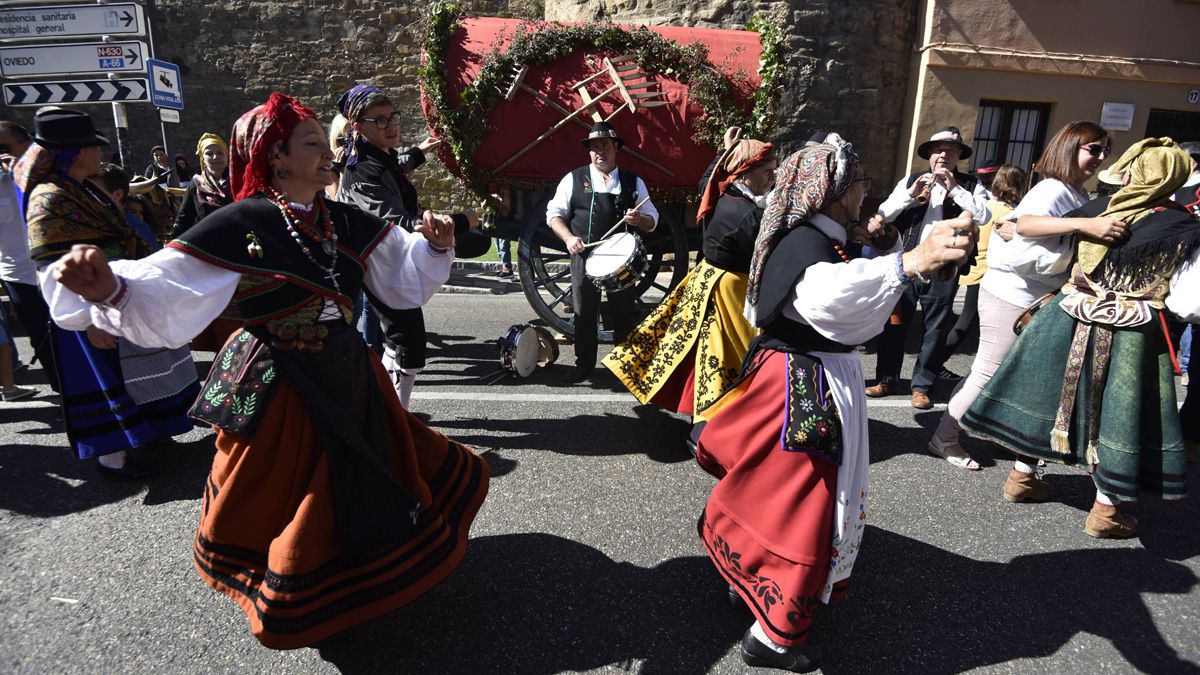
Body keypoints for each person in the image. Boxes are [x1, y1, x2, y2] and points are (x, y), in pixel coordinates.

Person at [44, 93, 490, 648]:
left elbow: (403, 273)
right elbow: (170, 282)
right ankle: (301, 589)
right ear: (276, 157)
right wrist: (110, 288)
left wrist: (437, 246)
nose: (327, 152)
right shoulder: (244, 222)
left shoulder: (343, 219)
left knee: (368, 470)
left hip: (349, 370)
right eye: (310, 144)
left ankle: (362, 576)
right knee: (290, 489)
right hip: (280, 382)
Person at [693, 137, 975, 672]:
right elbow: (829, 297)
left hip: (795, 376)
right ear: (836, 192)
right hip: (808, 385)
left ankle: (750, 583)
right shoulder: (809, 244)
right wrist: (910, 261)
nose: (866, 191)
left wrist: (895, 247)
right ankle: (773, 637)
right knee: (807, 506)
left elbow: (839, 284)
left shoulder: (808, 233)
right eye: (861, 184)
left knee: (773, 493)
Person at [962, 137, 1200, 539]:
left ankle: (1021, 477)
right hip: (1131, 330)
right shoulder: (1183, 226)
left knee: (1050, 395)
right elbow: (1188, 304)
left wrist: (1081, 228)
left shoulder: (1101, 207)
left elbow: (1020, 225)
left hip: (1066, 314)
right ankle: (1106, 510)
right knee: (1118, 413)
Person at [21, 109, 198, 477]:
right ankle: (114, 459)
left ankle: (151, 435)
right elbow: (53, 271)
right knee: (104, 383)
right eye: (92, 147)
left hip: (115, 296)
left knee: (135, 373)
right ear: (75, 152)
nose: (99, 154)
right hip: (87, 310)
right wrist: (89, 321)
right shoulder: (50, 199)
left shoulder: (81, 188)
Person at [946, 121, 1125, 482]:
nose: (1102, 157)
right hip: (1012, 296)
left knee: (1004, 373)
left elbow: (1025, 230)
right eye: (1094, 149)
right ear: (1070, 148)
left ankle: (999, 434)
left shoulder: (1076, 194)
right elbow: (1024, 235)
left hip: (1032, 298)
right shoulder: (1052, 190)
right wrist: (1082, 230)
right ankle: (944, 438)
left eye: (1106, 149)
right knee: (988, 372)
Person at [603, 128, 774, 419]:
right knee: (726, 356)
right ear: (746, 172)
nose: (773, 177)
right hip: (731, 291)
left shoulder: (721, 191)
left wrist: (725, 150)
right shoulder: (748, 216)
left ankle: (708, 412)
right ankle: (717, 418)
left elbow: (706, 181)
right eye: (768, 171)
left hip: (707, 280)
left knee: (698, 349)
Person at [335, 83, 487, 406]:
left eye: (393, 117)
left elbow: (396, 165)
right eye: (380, 120)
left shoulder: (376, 154)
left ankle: (390, 414)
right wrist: (463, 220)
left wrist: (420, 152)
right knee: (407, 340)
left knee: (401, 338)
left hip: (382, 255)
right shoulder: (361, 169)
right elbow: (395, 220)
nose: (391, 125)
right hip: (373, 260)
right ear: (358, 126)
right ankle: (394, 420)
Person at [868, 126, 991, 409]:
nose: (943, 155)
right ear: (930, 155)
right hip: (907, 262)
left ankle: (922, 386)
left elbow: (984, 216)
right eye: (938, 150)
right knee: (894, 325)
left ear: (959, 154)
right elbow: (884, 213)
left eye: (949, 150)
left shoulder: (970, 185)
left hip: (945, 266)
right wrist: (911, 194)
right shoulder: (912, 179)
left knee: (935, 329)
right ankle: (886, 379)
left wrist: (955, 190)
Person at [922, 164, 1028, 469]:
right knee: (969, 334)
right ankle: (933, 364)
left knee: (971, 333)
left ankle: (933, 364)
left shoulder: (998, 208)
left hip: (984, 279)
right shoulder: (1007, 213)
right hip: (988, 280)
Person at [547, 121, 659, 382]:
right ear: (589, 152)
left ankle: (625, 368)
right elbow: (554, 215)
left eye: (605, 146)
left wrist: (638, 220)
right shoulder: (573, 179)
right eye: (594, 147)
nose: (600, 151)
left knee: (623, 312)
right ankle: (584, 366)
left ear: (616, 148)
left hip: (620, 261)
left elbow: (652, 219)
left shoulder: (633, 181)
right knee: (584, 311)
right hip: (584, 255)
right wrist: (568, 238)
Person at [1, 120, 58, 393]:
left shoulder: (48, 173)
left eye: (4, 147)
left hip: (54, 267)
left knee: (71, 333)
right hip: (17, 273)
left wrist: (22, 175)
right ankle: (63, 393)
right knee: (40, 337)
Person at [171, 133, 233, 238]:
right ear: (202, 158)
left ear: (227, 155)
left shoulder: (242, 180)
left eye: (220, 153)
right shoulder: (196, 183)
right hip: (208, 242)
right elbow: (185, 218)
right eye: (209, 153)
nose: (215, 157)